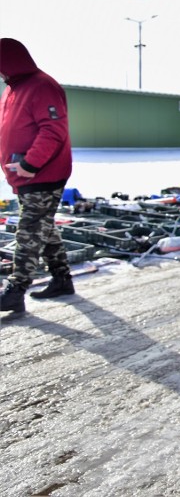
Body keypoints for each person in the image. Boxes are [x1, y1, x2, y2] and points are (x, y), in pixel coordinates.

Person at [0, 38, 75, 316]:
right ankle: (62, 279)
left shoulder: (42, 86)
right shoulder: (12, 90)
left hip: (44, 173)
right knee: (43, 225)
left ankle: (16, 290)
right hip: (23, 175)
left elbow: (52, 131)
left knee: (30, 228)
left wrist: (30, 164)